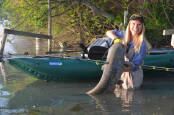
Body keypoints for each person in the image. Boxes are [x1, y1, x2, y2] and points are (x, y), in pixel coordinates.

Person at [106, 14, 151, 90]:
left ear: (142, 27)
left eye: (139, 25)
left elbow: (134, 66)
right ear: (129, 24)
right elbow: (109, 32)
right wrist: (116, 39)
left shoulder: (142, 44)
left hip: (132, 76)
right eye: (133, 24)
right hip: (119, 74)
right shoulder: (123, 34)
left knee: (130, 97)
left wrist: (114, 69)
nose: (135, 27)